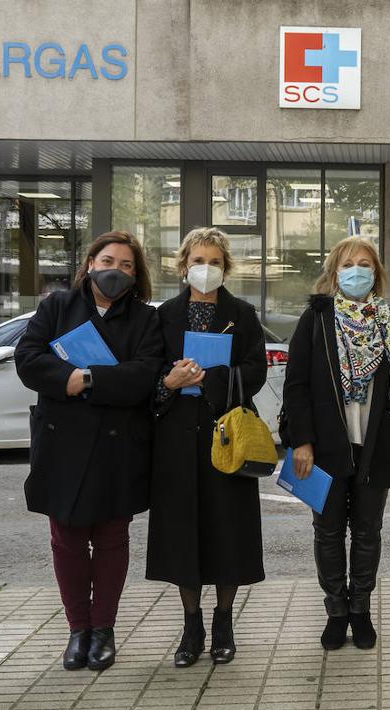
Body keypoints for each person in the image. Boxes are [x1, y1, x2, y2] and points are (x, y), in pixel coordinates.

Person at [14, 231, 163, 672]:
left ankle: (103, 630)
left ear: (137, 277)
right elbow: (28, 359)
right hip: (62, 444)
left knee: (112, 538)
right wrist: (69, 379)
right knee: (67, 540)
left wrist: (89, 379)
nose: (116, 270)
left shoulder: (145, 319)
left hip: (119, 444)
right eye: (108, 260)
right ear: (90, 263)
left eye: (127, 266)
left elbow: (144, 374)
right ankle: (77, 630)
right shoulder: (56, 307)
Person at [282, 236, 390, 650]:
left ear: (376, 273)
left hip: (374, 447)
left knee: (367, 532)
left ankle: (360, 610)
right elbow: (297, 385)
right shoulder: (317, 319)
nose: (356, 271)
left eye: (365, 263)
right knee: (327, 533)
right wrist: (302, 442)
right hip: (324, 448)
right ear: (334, 272)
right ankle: (335, 612)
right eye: (348, 264)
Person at [146, 227, 267, 667]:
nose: (206, 268)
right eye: (199, 260)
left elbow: (255, 370)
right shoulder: (163, 316)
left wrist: (211, 377)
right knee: (183, 533)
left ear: (226, 267)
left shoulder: (242, 313)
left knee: (227, 529)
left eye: (215, 261)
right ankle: (190, 623)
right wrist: (170, 379)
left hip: (227, 434)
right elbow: (150, 370)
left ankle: (223, 619)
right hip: (177, 437)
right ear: (183, 265)